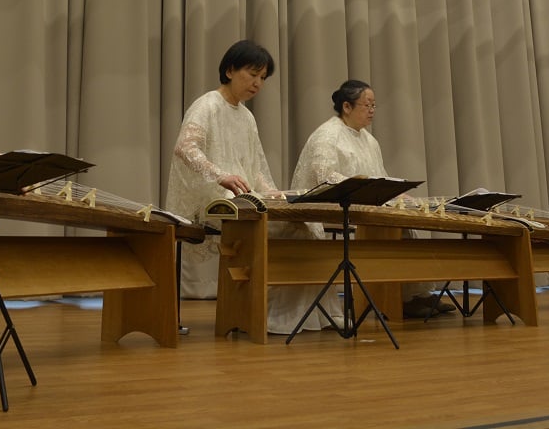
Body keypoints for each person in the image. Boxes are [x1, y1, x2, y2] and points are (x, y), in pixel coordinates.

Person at [266, 80, 451, 333]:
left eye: (374, 105)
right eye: (367, 104)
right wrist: (366, 189)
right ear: (346, 106)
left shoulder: (369, 141)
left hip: (360, 206)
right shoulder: (327, 134)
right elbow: (324, 175)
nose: (372, 110)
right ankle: (392, 298)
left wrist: (397, 194)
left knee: (403, 225)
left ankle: (409, 296)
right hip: (323, 208)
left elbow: (379, 175)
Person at [165, 40, 279, 299]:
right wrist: (221, 176)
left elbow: (254, 166)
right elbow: (185, 148)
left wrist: (272, 192)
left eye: (263, 78)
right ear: (229, 71)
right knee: (247, 211)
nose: (258, 83)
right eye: (252, 74)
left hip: (235, 194)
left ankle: (273, 304)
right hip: (208, 195)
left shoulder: (247, 117)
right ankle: (243, 300)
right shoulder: (207, 105)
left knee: (287, 220)